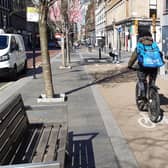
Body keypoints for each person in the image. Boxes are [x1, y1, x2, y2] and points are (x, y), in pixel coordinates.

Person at [128, 30, 164, 99]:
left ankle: (142, 94)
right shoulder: (154, 44)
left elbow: (133, 57)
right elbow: (159, 54)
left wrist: (129, 65)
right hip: (154, 66)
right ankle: (152, 90)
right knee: (152, 81)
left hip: (143, 67)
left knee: (142, 80)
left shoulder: (139, 45)